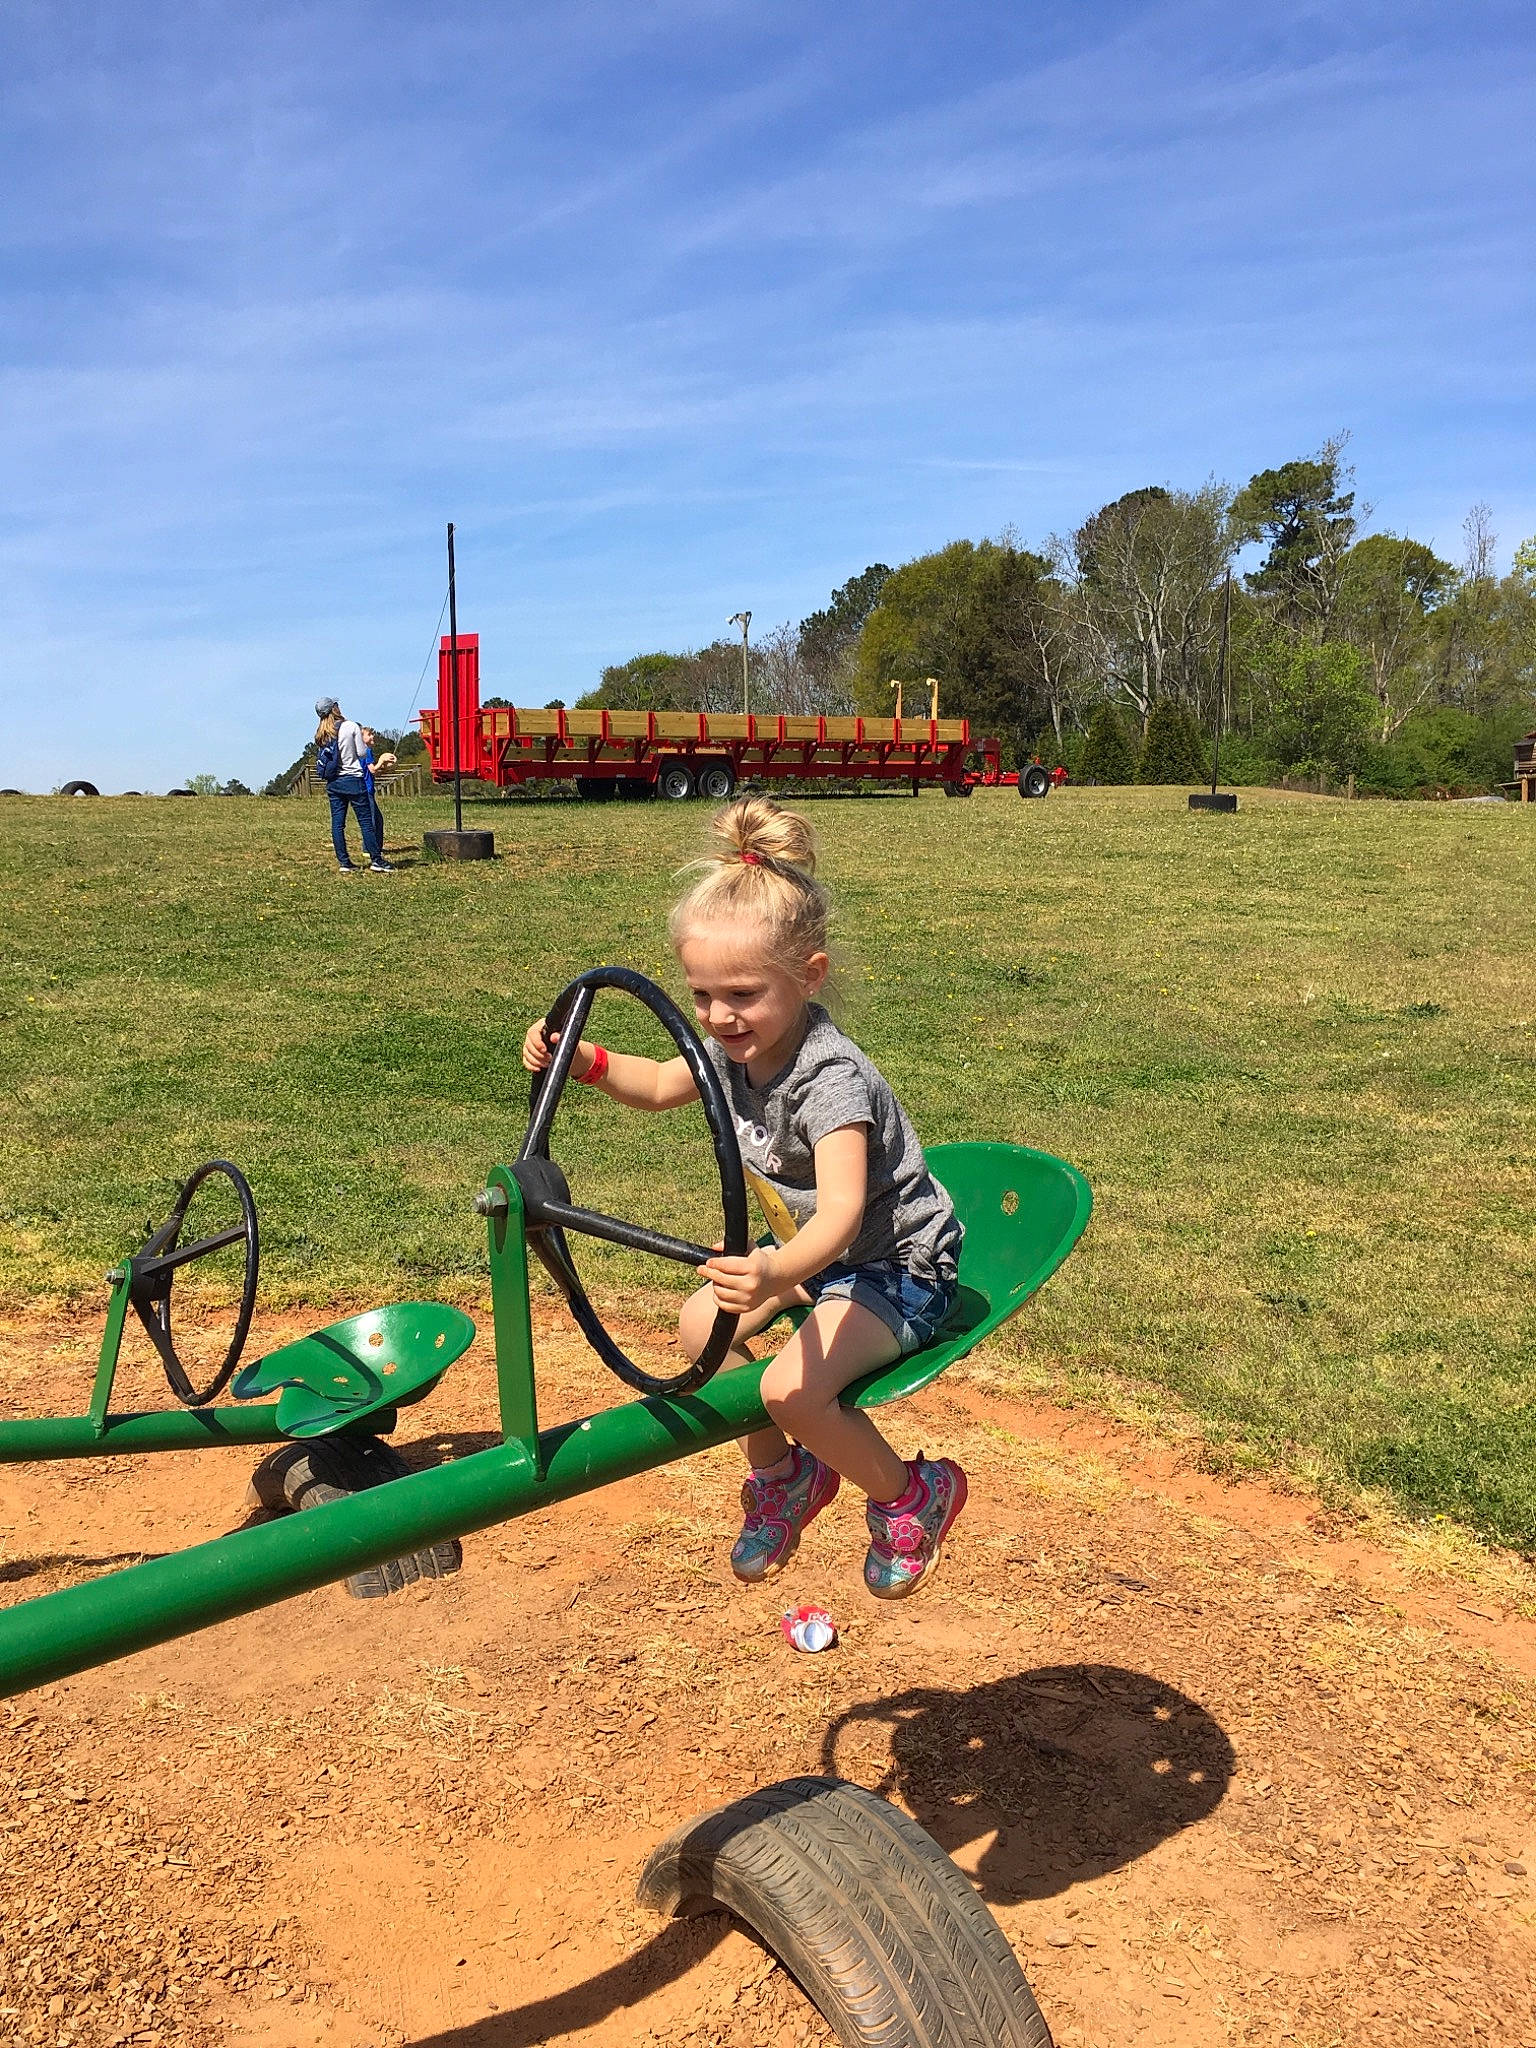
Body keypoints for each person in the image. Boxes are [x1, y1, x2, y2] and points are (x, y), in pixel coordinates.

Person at [521, 796, 967, 1599]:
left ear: (808, 976)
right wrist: (582, 1059)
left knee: (788, 1388)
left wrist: (771, 1274)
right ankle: (787, 1477)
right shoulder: (736, 1050)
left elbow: (838, 1210)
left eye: (742, 995)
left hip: (897, 1266)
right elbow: (659, 1084)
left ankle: (909, 1493)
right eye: (701, 996)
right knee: (700, 1327)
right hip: (819, 1260)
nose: (718, 1018)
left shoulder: (828, 1080)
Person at [314, 696, 393, 875]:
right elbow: (362, 752)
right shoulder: (350, 726)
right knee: (365, 821)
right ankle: (376, 860)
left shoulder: (322, 733)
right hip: (353, 779)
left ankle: (344, 862)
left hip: (334, 782)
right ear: (335, 708)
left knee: (337, 823)